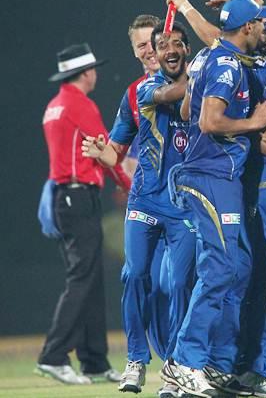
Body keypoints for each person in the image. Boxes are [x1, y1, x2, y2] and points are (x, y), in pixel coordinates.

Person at [160, 0, 266, 398]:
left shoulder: (220, 55)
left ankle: (215, 364)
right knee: (219, 269)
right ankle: (184, 363)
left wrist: (191, 7)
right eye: (260, 23)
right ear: (248, 28)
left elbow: (188, 110)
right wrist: (255, 121)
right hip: (212, 175)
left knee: (238, 268)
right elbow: (209, 121)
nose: (265, 29)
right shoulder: (228, 65)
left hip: (217, 175)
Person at [83, 21, 198, 394]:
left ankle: (177, 363)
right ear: (136, 51)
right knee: (134, 274)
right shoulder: (140, 91)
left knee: (178, 283)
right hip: (145, 199)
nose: (151, 49)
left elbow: (188, 89)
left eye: (158, 42)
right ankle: (136, 360)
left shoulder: (198, 77)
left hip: (185, 204)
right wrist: (104, 155)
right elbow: (116, 150)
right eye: (144, 45)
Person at [37, 43, 129, 385]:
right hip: (79, 197)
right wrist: (128, 184)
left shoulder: (54, 106)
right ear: (86, 73)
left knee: (89, 279)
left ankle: (94, 361)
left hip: (64, 198)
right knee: (82, 278)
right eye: (93, 69)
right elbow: (106, 153)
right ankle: (54, 355)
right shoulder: (80, 105)